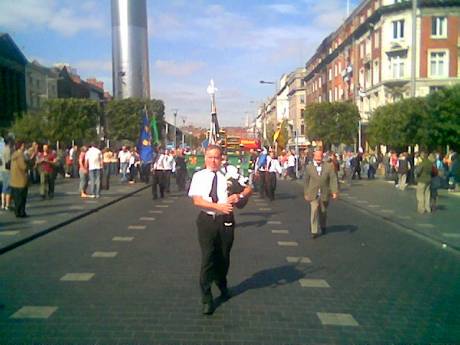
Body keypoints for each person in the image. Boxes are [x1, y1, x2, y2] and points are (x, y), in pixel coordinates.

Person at [188, 145, 251, 315]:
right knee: (208, 257)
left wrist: (239, 196)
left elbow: (248, 187)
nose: (213, 161)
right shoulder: (199, 176)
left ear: (222, 158)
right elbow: (197, 201)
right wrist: (218, 207)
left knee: (224, 256)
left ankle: (221, 283)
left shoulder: (230, 174)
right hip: (207, 220)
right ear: (205, 158)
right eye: (209, 157)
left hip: (226, 221)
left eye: (216, 157)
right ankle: (207, 297)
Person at [303, 150, 338, 239]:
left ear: (322, 157)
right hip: (313, 194)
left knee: (323, 212)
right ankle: (314, 231)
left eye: (320, 158)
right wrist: (306, 193)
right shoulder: (309, 167)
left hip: (324, 193)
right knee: (314, 211)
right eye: (316, 158)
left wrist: (334, 191)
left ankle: (323, 226)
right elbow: (306, 181)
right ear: (314, 157)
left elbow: (333, 179)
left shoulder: (328, 166)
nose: (318, 159)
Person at [10, 142, 28, 218]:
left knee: (16, 197)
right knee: (22, 197)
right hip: (21, 179)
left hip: (14, 179)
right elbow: (23, 167)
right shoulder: (20, 155)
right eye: (23, 145)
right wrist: (27, 164)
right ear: (21, 147)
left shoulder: (14, 155)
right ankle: (21, 212)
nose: (24, 147)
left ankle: (17, 211)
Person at [1, 136, 13, 210]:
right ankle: (7, 205)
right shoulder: (8, 150)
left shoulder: (2, 149)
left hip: (2, 169)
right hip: (7, 170)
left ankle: (3, 204)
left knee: (4, 188)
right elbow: (9, 162)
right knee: (8, 188)